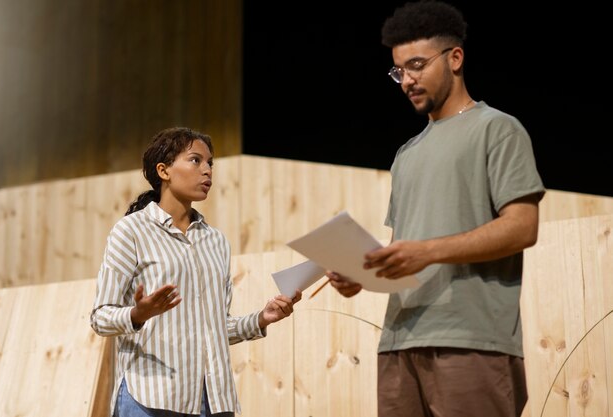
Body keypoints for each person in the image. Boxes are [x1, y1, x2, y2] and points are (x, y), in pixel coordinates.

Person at [326, 1, 545, 417]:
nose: (407, 80)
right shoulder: (406, 153)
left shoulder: (497, 129)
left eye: (417, 66)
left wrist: (426, 251)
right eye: (398, 71)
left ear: (455, 58)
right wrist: (362, 274)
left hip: (471, 339)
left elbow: (522, 227)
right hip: (398, 340)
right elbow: (403, 248)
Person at [90, 127, 301, 417]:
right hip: (152, 399)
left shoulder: (216, 241)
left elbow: (215, 328)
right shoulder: (131, 231)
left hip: (213, 400)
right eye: (195, 160)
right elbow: (100, 318)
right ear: (163, 171)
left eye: (210, 163)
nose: (207, 171)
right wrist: (137, 314)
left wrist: (261, 318)